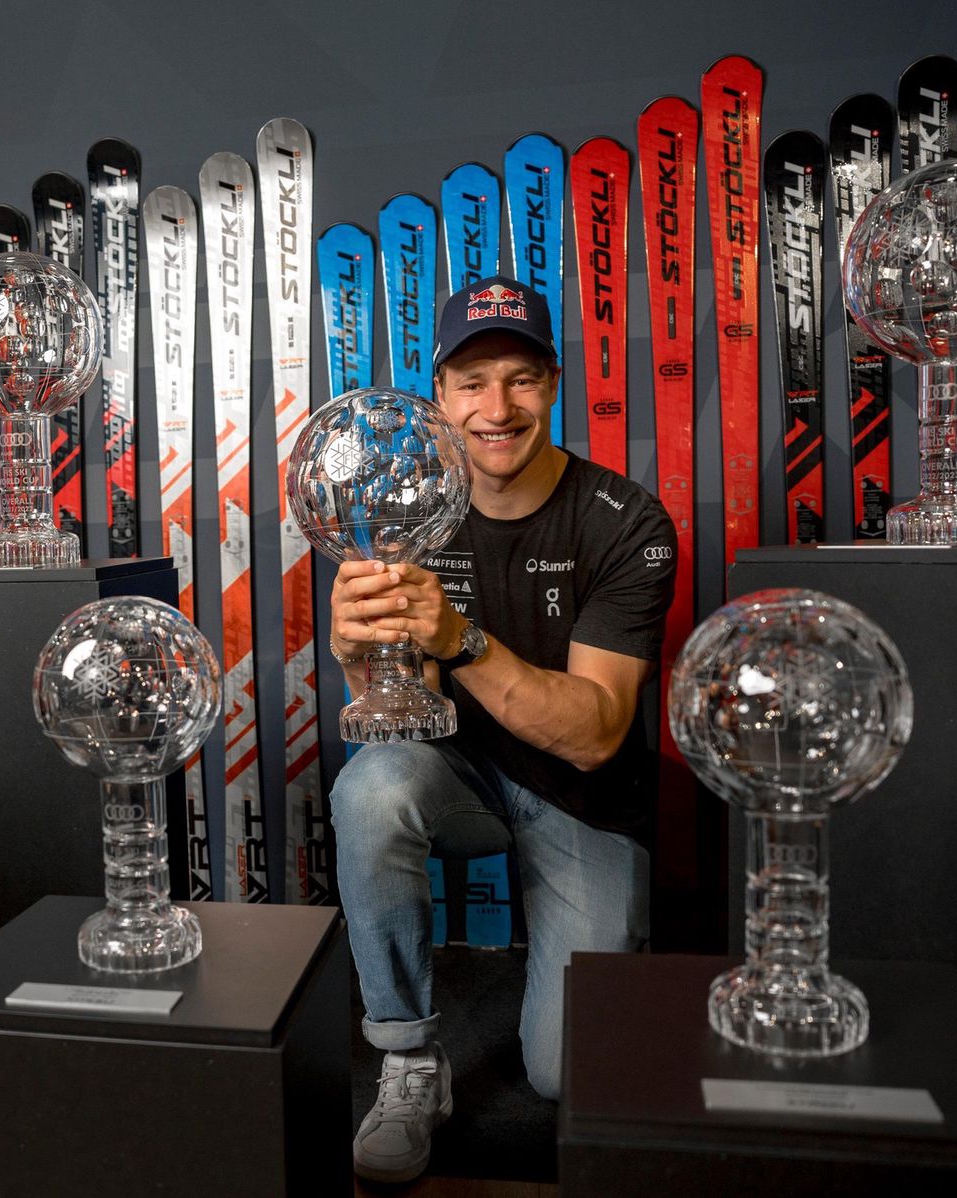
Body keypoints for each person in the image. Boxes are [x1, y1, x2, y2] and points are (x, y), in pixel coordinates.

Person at [328, 275, 677, 1184]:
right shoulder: (408, 512)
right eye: (472, 382)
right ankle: (407, 1059)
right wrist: (353, 649)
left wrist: (459, 635)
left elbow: (597, 733)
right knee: (372, 787)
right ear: (439, 395)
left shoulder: (624, 522)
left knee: (566, 1074)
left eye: (520, 378)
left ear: (554, 385)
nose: (497, 407)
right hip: (462, 781)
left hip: (583, 799)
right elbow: (396, 700)